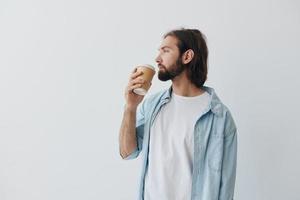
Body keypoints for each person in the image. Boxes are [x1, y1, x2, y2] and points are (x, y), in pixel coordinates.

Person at [119, 28, 237, 200]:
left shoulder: (220, 118)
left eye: (166, 51)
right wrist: (130, 107)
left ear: (187, 56)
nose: (157, 58)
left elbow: (226, 186)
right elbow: (127, 152)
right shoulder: (152, 105)